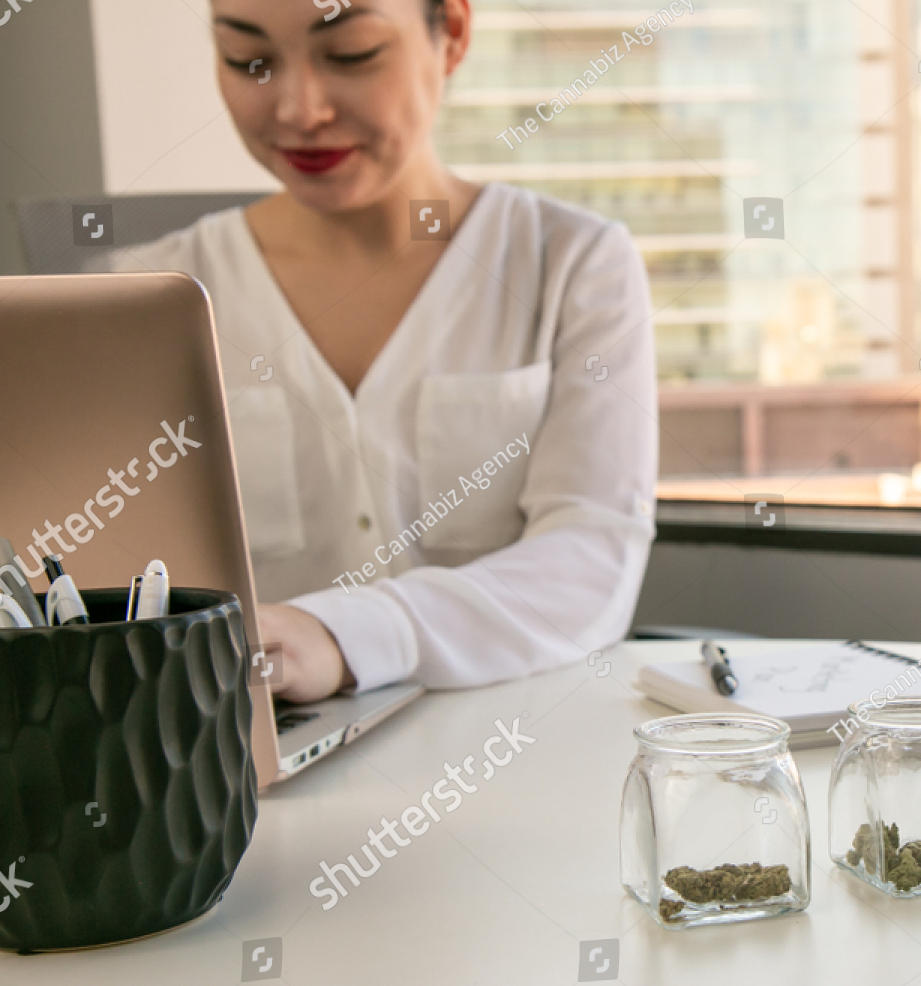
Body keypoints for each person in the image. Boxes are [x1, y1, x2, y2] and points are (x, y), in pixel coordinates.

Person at [107, 0, 657, 701]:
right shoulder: (148, 295)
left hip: (521, 756)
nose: (300, 110)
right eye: (249, 60)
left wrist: (342, 633)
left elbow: (591, 555)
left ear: (451, 33)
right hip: (248, 785)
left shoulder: (574, 263)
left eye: (352, 54)